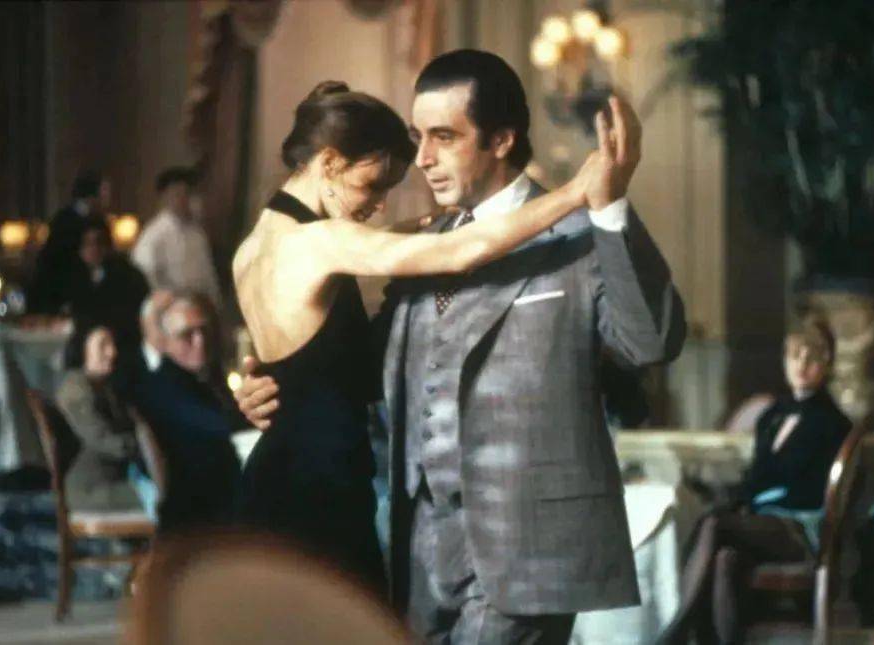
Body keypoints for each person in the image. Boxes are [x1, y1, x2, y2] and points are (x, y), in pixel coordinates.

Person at [237, 49, 686, 644]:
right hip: (418, 558)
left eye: (443, 137)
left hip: (527, 554)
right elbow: (364, 370)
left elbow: (650, 341)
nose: (423, 159)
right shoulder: (425, 246)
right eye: (418, 137)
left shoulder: (579, 233)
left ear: (500, 140)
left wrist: (607, 208)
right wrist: (275, 384)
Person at [655, 321, 851, 645]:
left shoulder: (833, 422)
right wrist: (748, 497)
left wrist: (760, 494)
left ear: (826, 365)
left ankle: (677, 630)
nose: (801, 365)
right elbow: (758, 478)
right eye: (795, 356)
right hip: (762, 524)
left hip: (798, 528)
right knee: (724, 559)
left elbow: (806, 489)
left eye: (812, 358)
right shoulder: (772, 415)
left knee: (715, 524)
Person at [135, 294, 242, 534]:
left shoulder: (202, 381)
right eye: (187, 335)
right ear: (165, 342)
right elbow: (224, 425)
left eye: (204, 330)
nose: (200, 341)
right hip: (197, 523)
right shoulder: (164, 388)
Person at [56, 324, 145, 513]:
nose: (112, 352)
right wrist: (144, 446)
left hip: (113, 482)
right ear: (82, 350)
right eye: (103, 345)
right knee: (165, 497)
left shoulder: (105, 388)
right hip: (91, 489)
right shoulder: (76, 390)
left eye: (113, 345)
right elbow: (103, 440)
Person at [131, 167, 223, 307]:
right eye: (177, 194)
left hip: (202, 306)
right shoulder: (153, 235)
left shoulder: (197, 234)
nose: (184, 199)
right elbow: (145, 277)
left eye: (187, 194)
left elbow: (208, 275)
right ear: (164, 197)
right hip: (170, 308)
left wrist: (215, 304)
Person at [66, 220, 151, 358]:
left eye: (98, 243)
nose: (93, 249)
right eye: (87, 244)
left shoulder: (127, 275)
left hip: (124, 348)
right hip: (87, 349)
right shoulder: (77, 276)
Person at [32, 170, 112, 314]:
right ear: (92, 194)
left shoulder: (99, 221)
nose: (108, 196)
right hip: (62, 297)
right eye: (104, 190)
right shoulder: (65, 222)